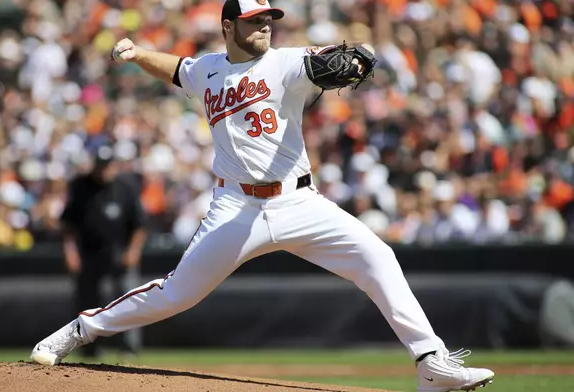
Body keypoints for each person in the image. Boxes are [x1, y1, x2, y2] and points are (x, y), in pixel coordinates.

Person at [30, 1, 495, 391]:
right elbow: (177, 69)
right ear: (229, 26)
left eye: (269, 18)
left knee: (377, 257)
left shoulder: (287, 61)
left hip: (299, 202)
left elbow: (325, 59)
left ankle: (430, 362)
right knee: (177, 294)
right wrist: (136, 53)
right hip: (235, 207)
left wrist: (356, 57)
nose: (265, 25)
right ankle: (81, 329)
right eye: (254, 19)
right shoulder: (208, 70)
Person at [59, 144, 147, 358]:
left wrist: (133, 251)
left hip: (120, 253)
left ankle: (129, 349)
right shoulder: (80, 186)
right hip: (89, 254)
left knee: (129, 300)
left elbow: (140, 225)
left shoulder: (125, 187)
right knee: (87, 301)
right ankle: (89, 349)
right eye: (100, 166)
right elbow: (68, 225)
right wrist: (70, 252)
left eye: (107, 166)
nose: (103, 170)